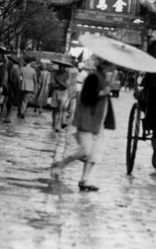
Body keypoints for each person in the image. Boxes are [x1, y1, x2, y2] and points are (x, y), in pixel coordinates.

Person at [50, 59, 117, 191]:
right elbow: (86, 97)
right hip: (88, 119)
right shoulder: (93, 77)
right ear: (106, 65)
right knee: (85, 151)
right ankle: (60, 164)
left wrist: (111, 81)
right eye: (112, 65)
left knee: (95, 154)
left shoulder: (104, 78)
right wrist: (102, 92)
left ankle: (84, 180)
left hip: (98, 121)